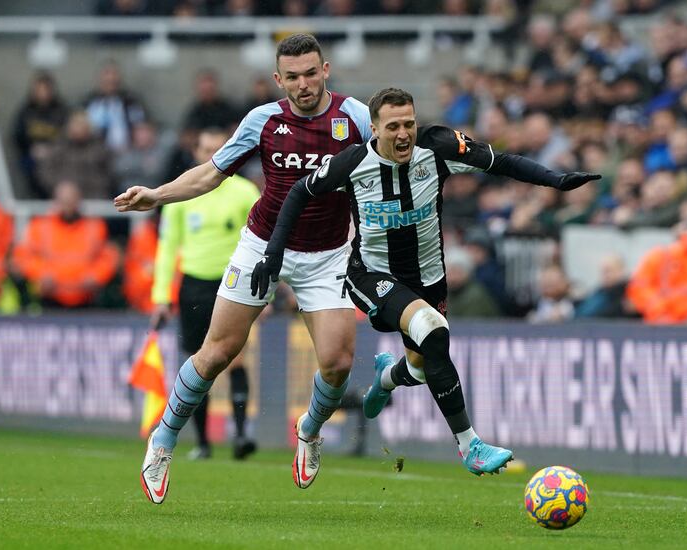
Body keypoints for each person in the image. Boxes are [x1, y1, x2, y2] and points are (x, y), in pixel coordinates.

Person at [252, 88, 599, 476]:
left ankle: (385, 379)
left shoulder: (439, 146)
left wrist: (557, 180)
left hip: (430, 280)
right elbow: (299, 192)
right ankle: (470, 446)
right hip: (372, 276)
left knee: (420, 366)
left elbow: (500, 162)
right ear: (375, 129)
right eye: (394, 126)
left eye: (409, 124)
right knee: (434, 331)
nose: (404, 134)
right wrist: (273, 253)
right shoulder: (353, 163)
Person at [115, 33, 372, 503]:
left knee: (336, 364)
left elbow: (386, 168)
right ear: (279, 80)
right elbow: (210, 173)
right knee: (217, 352)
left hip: (328, 253)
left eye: (311, 73)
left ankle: (309, 429)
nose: (303, 84)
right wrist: (156, 194)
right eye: (292, 77)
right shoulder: (263, 120)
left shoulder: (356, 118)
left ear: (326, 70)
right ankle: (164, 438)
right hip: (262, 246)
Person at [150, 127, 260, 461]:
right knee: (198, 363)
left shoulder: (244, 192)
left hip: (232, 283)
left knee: (234, 357)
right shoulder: (182, 194)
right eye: (206, 149)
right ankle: (203, 442)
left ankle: (240, 435)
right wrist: (160, 296)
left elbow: (260, 243)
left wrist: (265, 289)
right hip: (194, 286)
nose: (212, 154)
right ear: (196, 153)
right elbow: (167, 248)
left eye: (219, 148)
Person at [13, 181, 119, 307]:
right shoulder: (40, 226)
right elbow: (23, 257)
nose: (68, 206)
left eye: (71, 201)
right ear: (56, 202)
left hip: (86, 299)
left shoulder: (95, 227)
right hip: (50, 298)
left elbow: (108, 257)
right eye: (64, 201)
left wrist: (96, 276)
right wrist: (41, 274)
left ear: (79, 201)